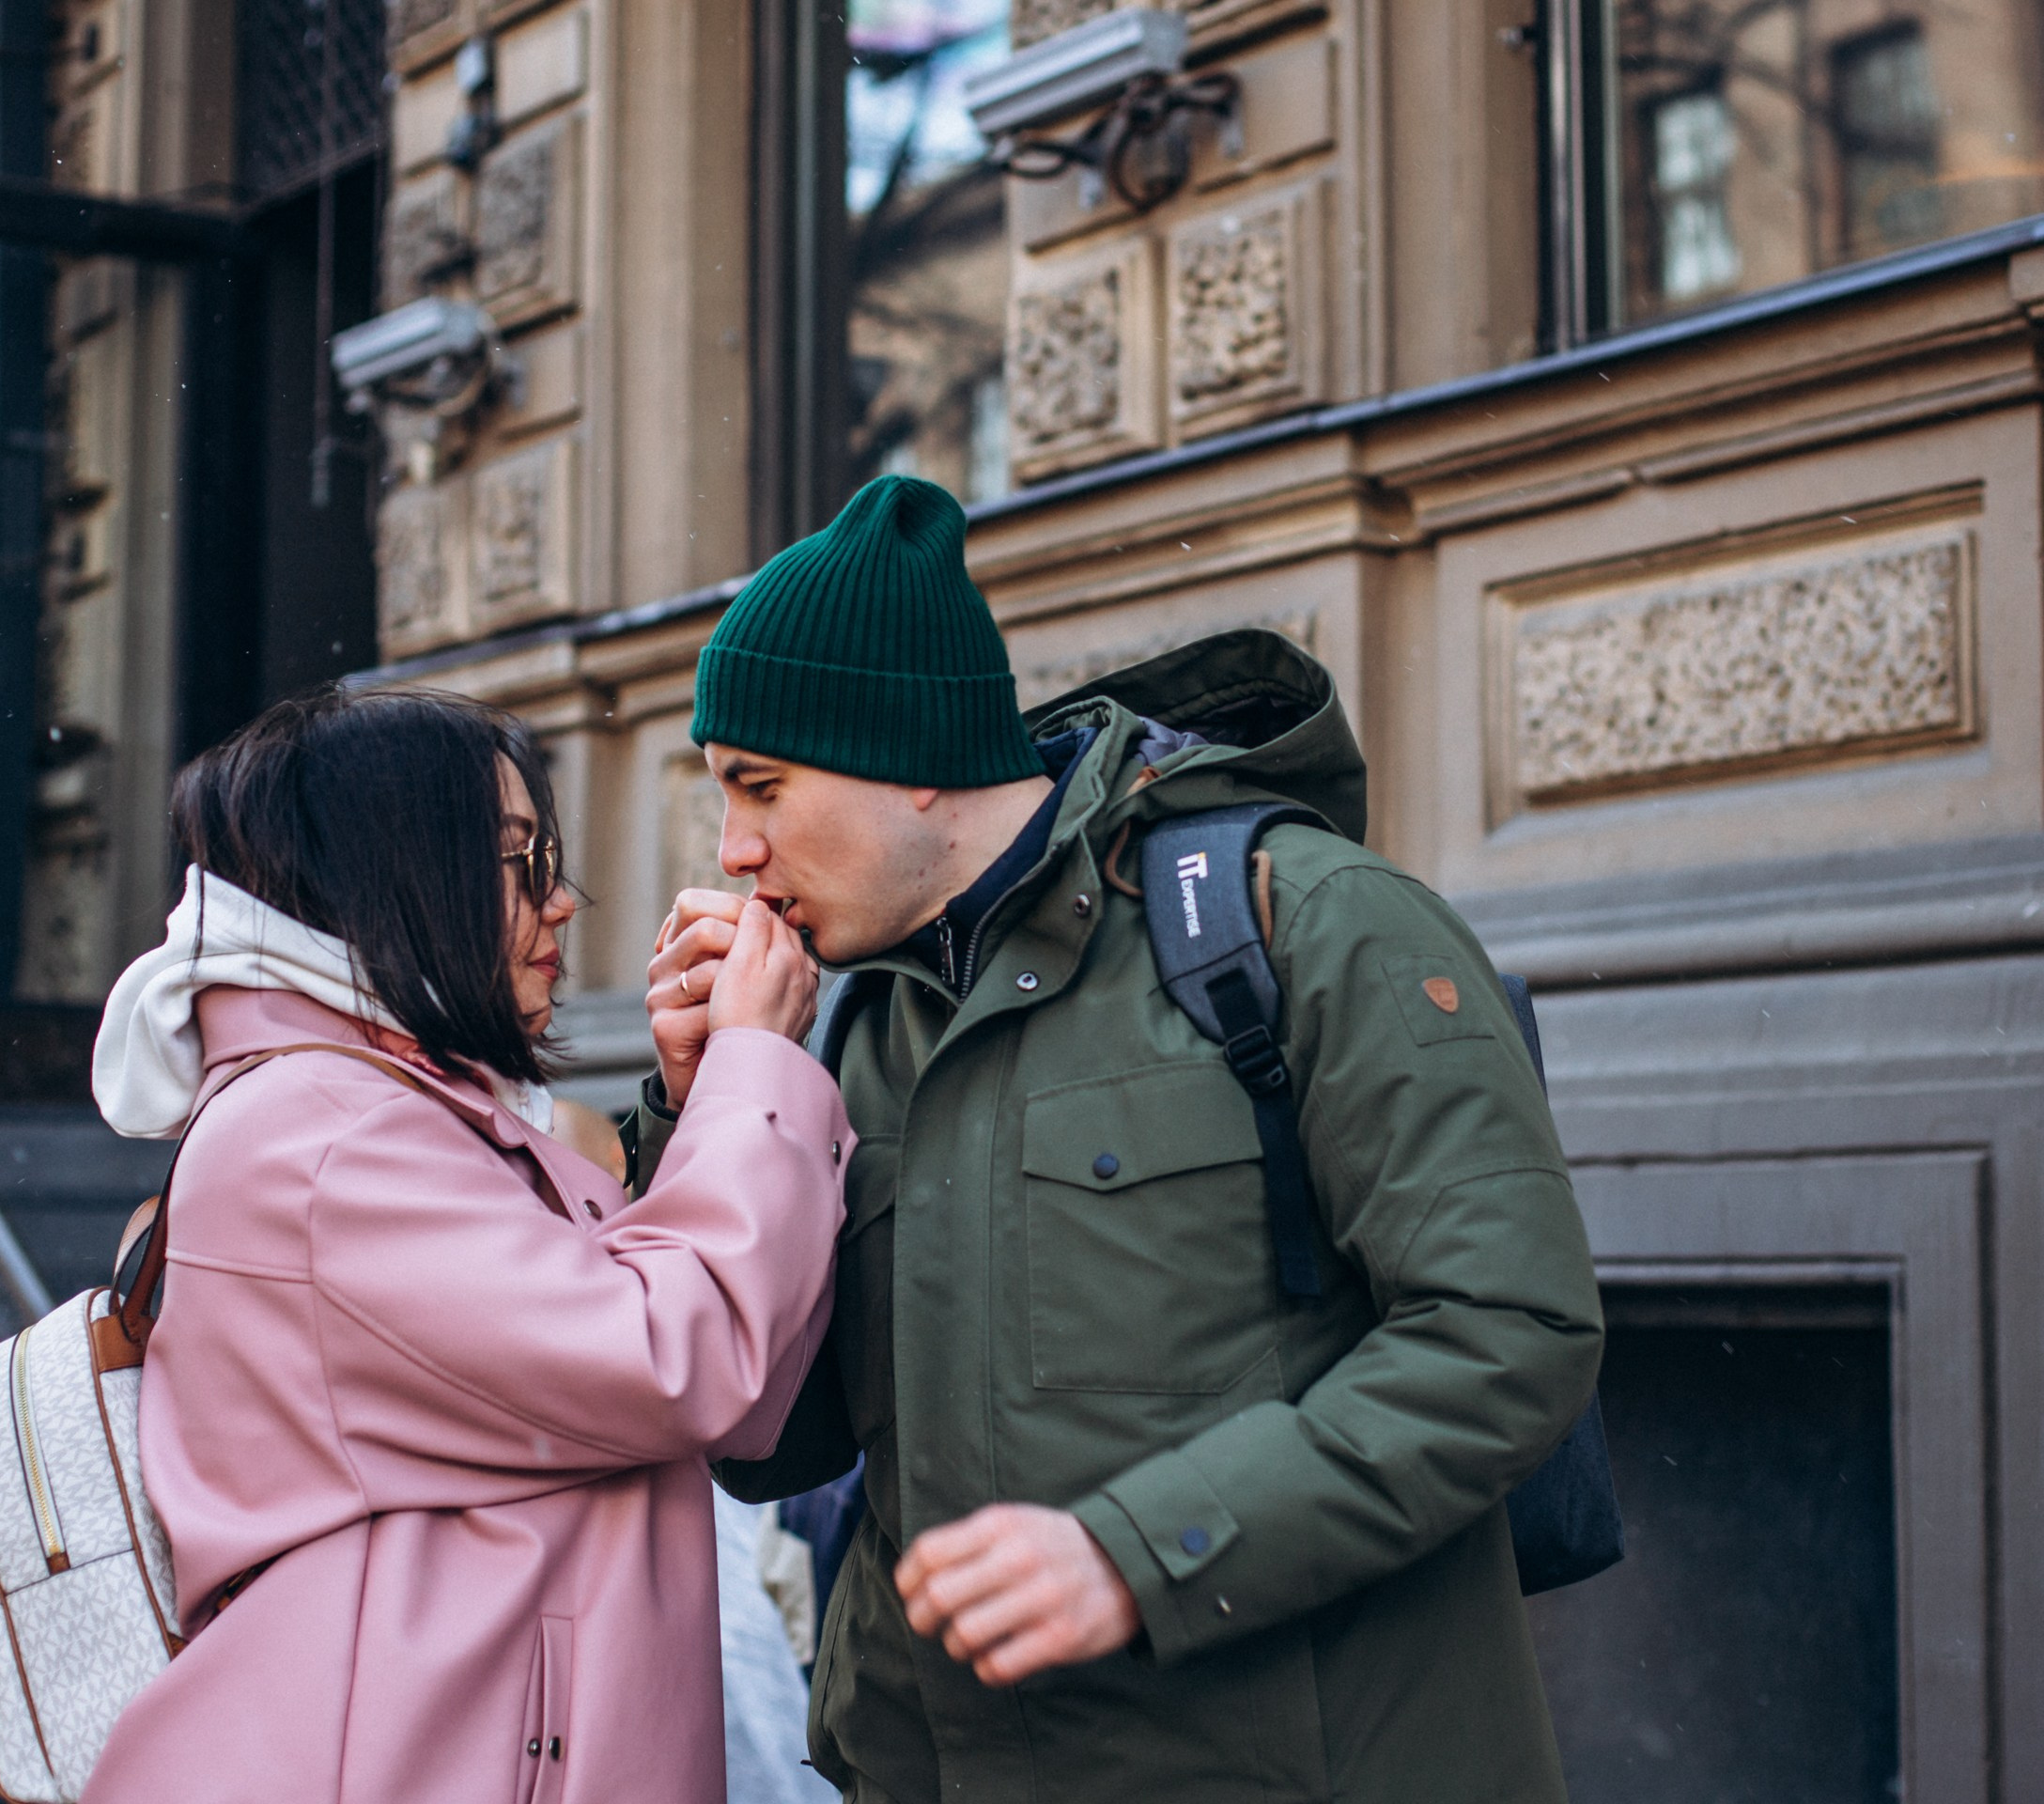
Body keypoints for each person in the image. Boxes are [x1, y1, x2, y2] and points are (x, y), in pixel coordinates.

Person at [634, 475, 1605, 1802]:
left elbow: (1507, 1334)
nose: (735, 850)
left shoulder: (1305, 922)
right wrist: (703, 1110)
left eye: (761, 787)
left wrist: (1144, 1555)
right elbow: (770, 1444)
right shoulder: (850, 1026)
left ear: (910, 757)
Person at [84, 685, 851, 1804]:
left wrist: (698, 1107)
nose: (566, 902)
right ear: (399, 871)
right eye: (521, 859)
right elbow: (679, 1363)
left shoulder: (400, 1107)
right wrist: (755, 1068)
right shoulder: (328, 1135)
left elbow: (715, 1373)